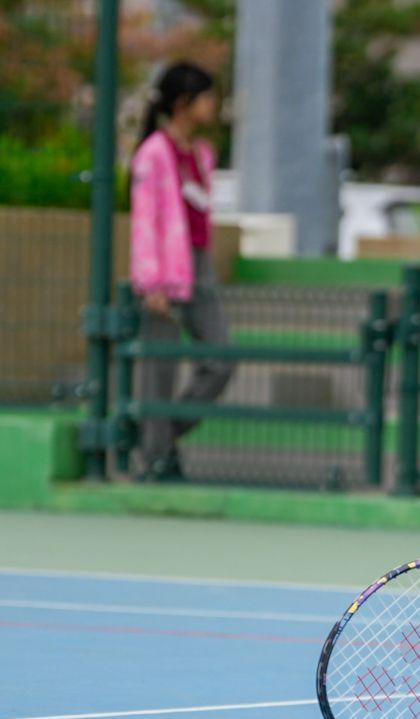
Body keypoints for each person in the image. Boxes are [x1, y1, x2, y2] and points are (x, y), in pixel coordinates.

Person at [128, 61, 234, 481]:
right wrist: (151, 281)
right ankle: (154, 460)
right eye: (207, 97)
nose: (214, 105)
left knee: (220, 360)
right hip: (163, 271)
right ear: (183, 103)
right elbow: (144, 221)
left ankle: (161, 438)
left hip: (199, 264)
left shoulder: (202, 154)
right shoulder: (153, 153)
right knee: (160, 370)